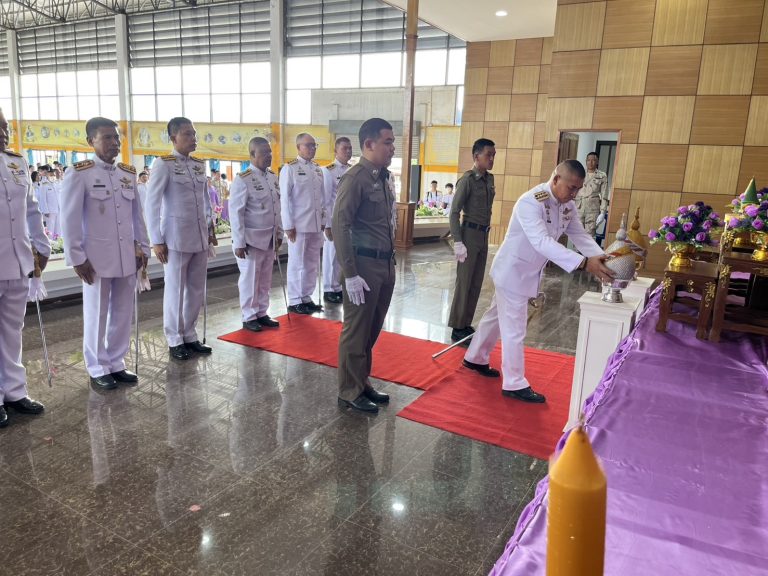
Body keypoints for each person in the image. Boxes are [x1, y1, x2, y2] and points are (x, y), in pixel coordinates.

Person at [463, 160, 614, 403]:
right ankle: (514, 383)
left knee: (495, 317)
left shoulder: (567, 205)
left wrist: (599, 257)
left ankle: (475, 357)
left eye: (578, 189)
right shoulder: (531, 201)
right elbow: (541, 242)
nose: (574, 194)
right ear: (555, 179)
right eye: (571, 187)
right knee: (515, 327)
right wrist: (584, 264)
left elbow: (579, 235)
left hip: (527, 272)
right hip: (512, 272)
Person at [61, 117, 150, 391]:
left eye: (116, 138)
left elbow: (137, 215)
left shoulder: (127, 173)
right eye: (107, 138)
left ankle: (116, 362)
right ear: (91, 142)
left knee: (123, 311)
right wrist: (77, 257)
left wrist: (143, 247)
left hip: (126, 255)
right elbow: (70, 219)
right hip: (96, 259)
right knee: (97, 312)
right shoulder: (79, 173)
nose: (115, 143)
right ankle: (97, 366)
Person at [333, 118, 396, 414]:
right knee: (356, 330)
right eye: (387, 142)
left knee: (371, 329)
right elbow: (340, 224)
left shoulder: (382, 177)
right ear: (369, 144)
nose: (392, 148)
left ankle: (362, 381)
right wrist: (351, 273)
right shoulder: (355, 177)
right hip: (364, 266)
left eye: (392, 142)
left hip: (384, 264)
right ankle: (349, 389)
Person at [145, 117, 214, 361]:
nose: (193, 138)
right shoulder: (163, 164)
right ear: (173, 138)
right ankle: (174, 339)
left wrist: (210, 228)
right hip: (175, 237)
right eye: (187, 134)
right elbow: (151, 203)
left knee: (196, 288)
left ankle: (189, 334)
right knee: (175, 289)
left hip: (199, 235)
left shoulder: (198, 165)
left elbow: (205, 199)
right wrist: (156, 240)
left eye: (194, 134)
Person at [0, 108, 50, 428]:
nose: (4, 132)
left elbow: (31, 211)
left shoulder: (17, 162)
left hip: (18, 261)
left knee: (12, 332)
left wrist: (42, 245)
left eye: (5, 127)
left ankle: (15, 392)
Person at [229, 136, 283, 332]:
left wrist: (279, 233)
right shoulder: (243, 180)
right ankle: (249, 315)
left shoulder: (272, 178)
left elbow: (277, 208)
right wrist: (239, 242)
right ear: (252, 155)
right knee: (250, 278)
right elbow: (236, 213)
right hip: (251, 240)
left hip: (268, 238)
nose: (269, 156)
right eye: (264, 153)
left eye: (270, 152)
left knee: (265, 278)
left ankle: (262, 311)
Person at [448, 138, 496, 345]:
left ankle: (466, 323)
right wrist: (458, 241)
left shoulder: (489, 179)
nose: (492, 159)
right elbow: (454, 212)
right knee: (464, 282)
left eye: (494, 155)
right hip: (468, 235)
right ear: (476, 156)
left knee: (476, 283)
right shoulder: (467, 180)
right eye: (488, 155)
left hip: (483, 236)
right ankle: (457, 327)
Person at [279, 132, 326, 315]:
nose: (312, 148)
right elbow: (284, 199)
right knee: (297, 262)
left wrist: (322, 220)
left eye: (314, 145)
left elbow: (321, 199)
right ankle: (295, 299)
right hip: (298, 225)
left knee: (311, 263)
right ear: (298, 147)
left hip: (314, 225)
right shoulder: (289, 169)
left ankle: (306, 297)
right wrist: (288, 225)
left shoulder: (317, 169)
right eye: (308, 145)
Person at [321, 136, 353, 304]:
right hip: (334, 220)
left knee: (343, 255)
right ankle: (329, 288)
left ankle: (338, 287)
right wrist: (327, 225)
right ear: (336, 151)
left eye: (350, 148)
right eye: (344, 148)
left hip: (348, 221)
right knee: (331, 256)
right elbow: (326, 200)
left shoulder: (352, 170)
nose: (348, 151)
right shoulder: (328, 171)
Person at [574, 152, 609, 236]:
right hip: (579, 207)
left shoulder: (602, 175)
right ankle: (576, 250)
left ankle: (586, 250)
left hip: (593, 209)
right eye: (588, 160)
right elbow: (573, 190)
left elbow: (604, 195)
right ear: (586, 161)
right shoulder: (580, 173)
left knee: (589, 236)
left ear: (597, 162)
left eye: (593, 160)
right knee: (577, 234)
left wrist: (603, 212)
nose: (591, 162)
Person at [37, 164, 60, 238]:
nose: (52, 175)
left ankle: (58, 244)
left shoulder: (54, 183)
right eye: (50, 173)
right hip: (49, 211)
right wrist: (45, 211)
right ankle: (51, 245)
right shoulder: (43, 184)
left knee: (58, 229)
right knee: (50, 230)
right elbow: (42, 199)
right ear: (46, 174)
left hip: (58, 209)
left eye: (52, 173)